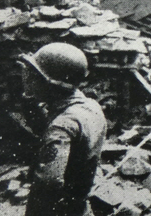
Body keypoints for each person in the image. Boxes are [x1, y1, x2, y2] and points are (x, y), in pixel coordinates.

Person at [19, 43, 106, 216]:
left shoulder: (62, 127)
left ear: (51, 84)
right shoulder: (91, 107)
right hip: (78, 206)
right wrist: (29, 101)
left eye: (34, 77)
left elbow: (48, 184)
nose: (27, 79)